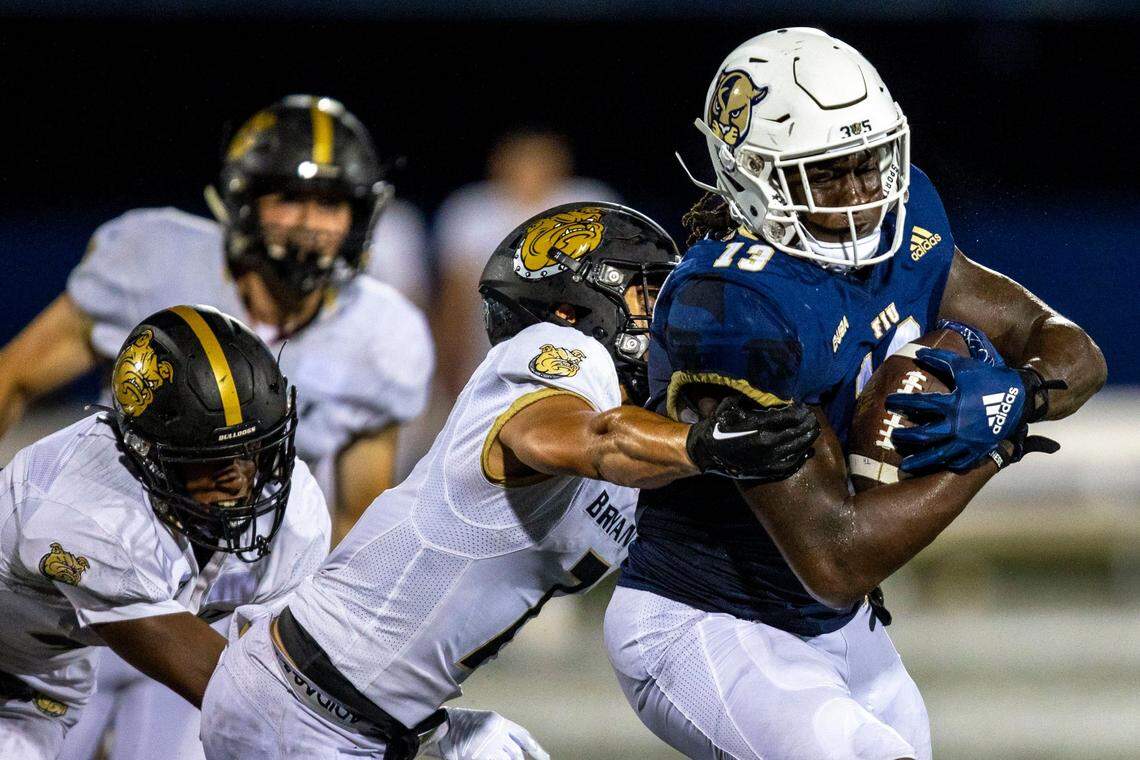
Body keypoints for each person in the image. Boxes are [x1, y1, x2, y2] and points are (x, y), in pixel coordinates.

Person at [604, 28, 1107, 760]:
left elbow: (1060, 342)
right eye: (828, 174)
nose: (864, 195)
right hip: (708, 618)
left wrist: (1023, 393)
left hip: (835, 624)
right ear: (747, 175)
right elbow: (835, 556)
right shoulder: (733, 304)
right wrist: (991, 444)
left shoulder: (904, 222)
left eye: (870, 163)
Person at [198, 202, 820, 760]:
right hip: (301, 703)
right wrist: (703, 445)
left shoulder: (647, 441)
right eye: (647, 293)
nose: (665, 316)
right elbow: (582, 438)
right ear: (572, 307)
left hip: (364, 713)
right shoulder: (552, 355)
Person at [19, 96, 432, 760]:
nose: (311, 226)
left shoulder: (386, 335)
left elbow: (359, 512)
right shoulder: (151, 256)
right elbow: (16, 378)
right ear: (243, 202)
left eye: (331, 205)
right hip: (90, 580)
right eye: (289, 200)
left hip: (224, 614)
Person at [0, 305, 331, 760]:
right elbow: (235, 695)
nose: (238, 476)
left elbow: (293, 669)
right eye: (209, 458)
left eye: (253, 448)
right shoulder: (87, 508)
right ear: (146, 455)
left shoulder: (294, 512)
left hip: (37, 687)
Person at [432, 129, 619, 396]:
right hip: (488, 362)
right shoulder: (472, 213)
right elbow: (454, 305)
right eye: (520, 161)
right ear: (498, 164)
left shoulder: (589, 203)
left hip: (577, 362)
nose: (529, 171)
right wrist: (449, 373)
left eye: (538, 160)